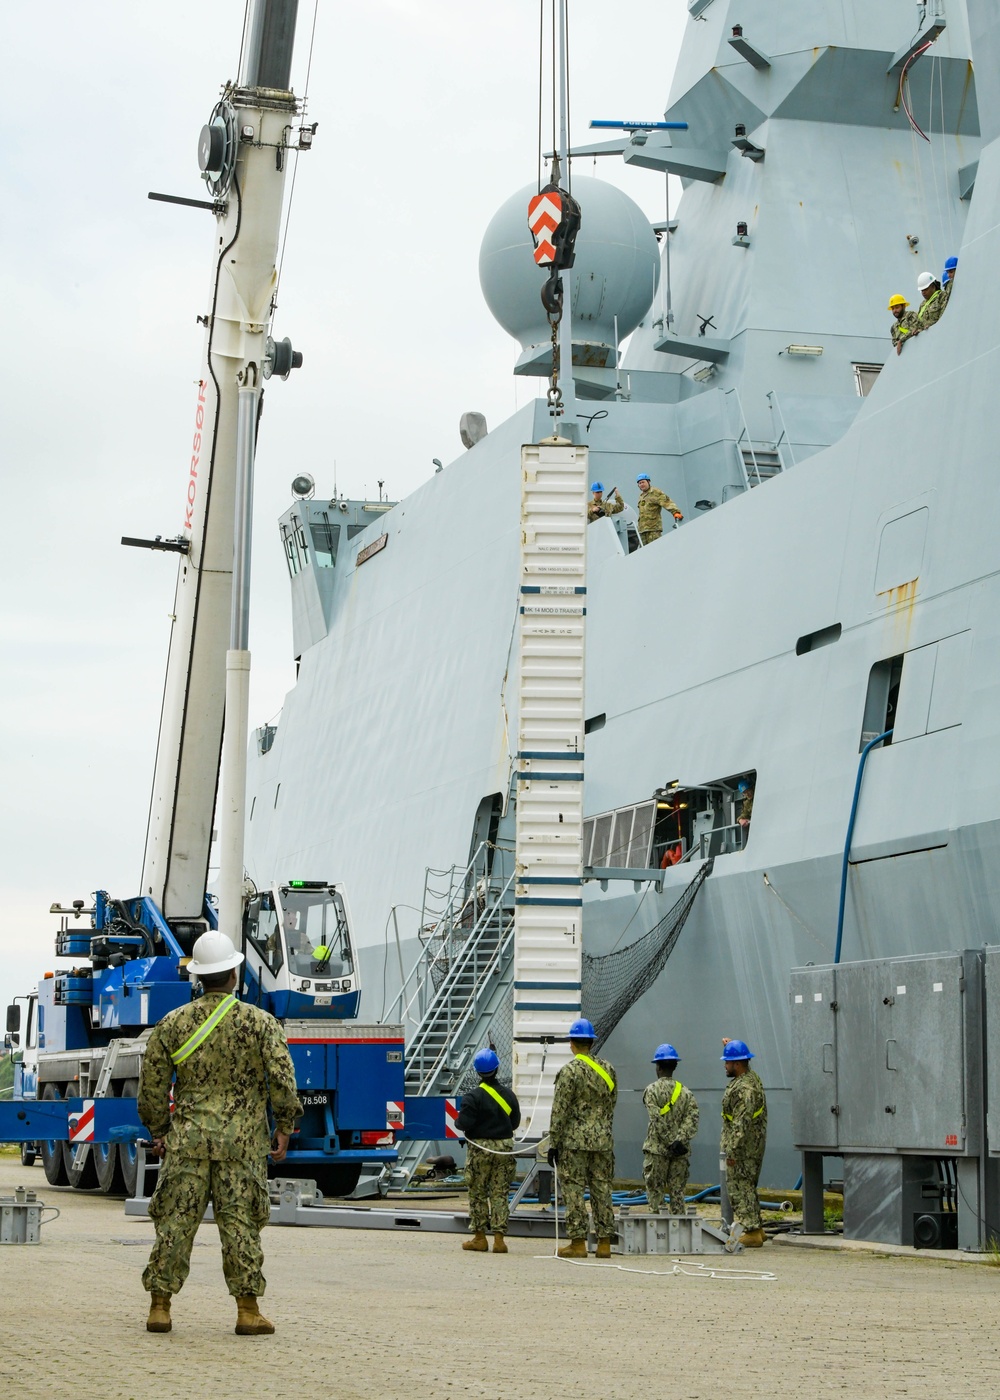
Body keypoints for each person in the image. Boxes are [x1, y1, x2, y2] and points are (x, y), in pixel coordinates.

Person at [138, 930, 302, 1336]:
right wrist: (284, 1126)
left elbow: (152, 1085)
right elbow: (283, 1079)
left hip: (188, 1144)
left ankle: (160, 1307)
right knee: (241, 1224)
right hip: (241, 1145)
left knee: (175, 1223)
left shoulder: (172, 1023)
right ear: (234, 973)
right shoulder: (260, 1023)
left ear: (198, 976)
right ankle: (247, 1312)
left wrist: (160, 1130)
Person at [547, 1017, 617, 1259]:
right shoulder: (608, 1069)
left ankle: (578, 1243)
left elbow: (560, 1111)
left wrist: (553, 1144)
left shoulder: (569, 1072)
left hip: (574, 1143)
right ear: (592, 1043)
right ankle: (605, 1243)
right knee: (602, 1188)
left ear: (572, 1044)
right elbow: (612, 1104)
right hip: (603, 1141)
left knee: (574, 1190)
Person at [455, 1048, 521, 1254]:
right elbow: (515, 1122)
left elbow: (463, 1123)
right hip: (503, 1149)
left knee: (478, 1193)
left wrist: (459, 1121)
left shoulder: (472, 1097)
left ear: (476, 1072)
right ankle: (500, 1241)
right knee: (500, 1193)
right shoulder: (509, 1095)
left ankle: (480, 1238)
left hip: (480, 1150)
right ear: (497, 1069)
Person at [720, 1038, 768, 1247]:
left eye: (728, 1061)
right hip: (752, 1144)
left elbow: (741, 1123)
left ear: (737, 1064)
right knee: (748, 1185)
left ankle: (752, 1231)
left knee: (740, 1187)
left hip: (744, 1147)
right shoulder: (751, 1078)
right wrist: (731, 1046)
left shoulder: (744, 1089)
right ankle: (757, 1227)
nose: (725, 1065)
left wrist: (731, 1151)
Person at [641, 1043, 699, 1214]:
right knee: (678, 1193)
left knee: (655, 1192)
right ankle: (679, 1229)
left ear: (657, 1066)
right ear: (675, 1066)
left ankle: (657, 1231)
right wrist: (679, 1141)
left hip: (657, 1151)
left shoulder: (651, 1091)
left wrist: (668, 1141)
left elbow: (656, 1118)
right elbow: (693, 1118)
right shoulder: (686, 1093)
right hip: (679, 1152)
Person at [636, 473, 683, 546]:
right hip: (642, 530)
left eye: (643, 482)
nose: (641, 484)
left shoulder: (655, 492)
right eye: (639, 483)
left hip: (653, 529)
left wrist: (675, 512)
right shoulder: (641, 496)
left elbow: (667, 502)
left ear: (648, 482)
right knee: (644, 553)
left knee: (655, 549)